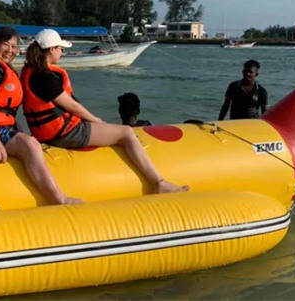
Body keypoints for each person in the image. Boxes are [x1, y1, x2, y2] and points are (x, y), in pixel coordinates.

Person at [21, 29, 188, 194]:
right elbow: (72, 106)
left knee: (114, 129)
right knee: (126, 133)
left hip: (46, 133)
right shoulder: (45, 77)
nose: (62, 52)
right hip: (64, 134)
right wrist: (96, 121)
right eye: (61, 49)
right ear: (51, 49)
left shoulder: (31, 71)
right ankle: (159, 183)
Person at [0, 26, 81, 205]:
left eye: (14, 47)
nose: (10, 50)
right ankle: (58, 199)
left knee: (28, 142)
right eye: (5, 44)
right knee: (30, 145)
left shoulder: (1, 66)